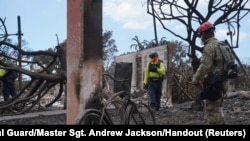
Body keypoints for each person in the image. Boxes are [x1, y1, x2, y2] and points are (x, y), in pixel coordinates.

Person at [191, 21, 229, 124]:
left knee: (211, 112)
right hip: (224, 82)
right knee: (218, 109)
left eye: (200, 36)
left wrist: (195, 79)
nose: (200, 38)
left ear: (204, 34)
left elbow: (205, 66)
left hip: (214, 84)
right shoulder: (221, 45)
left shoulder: (209, 46)